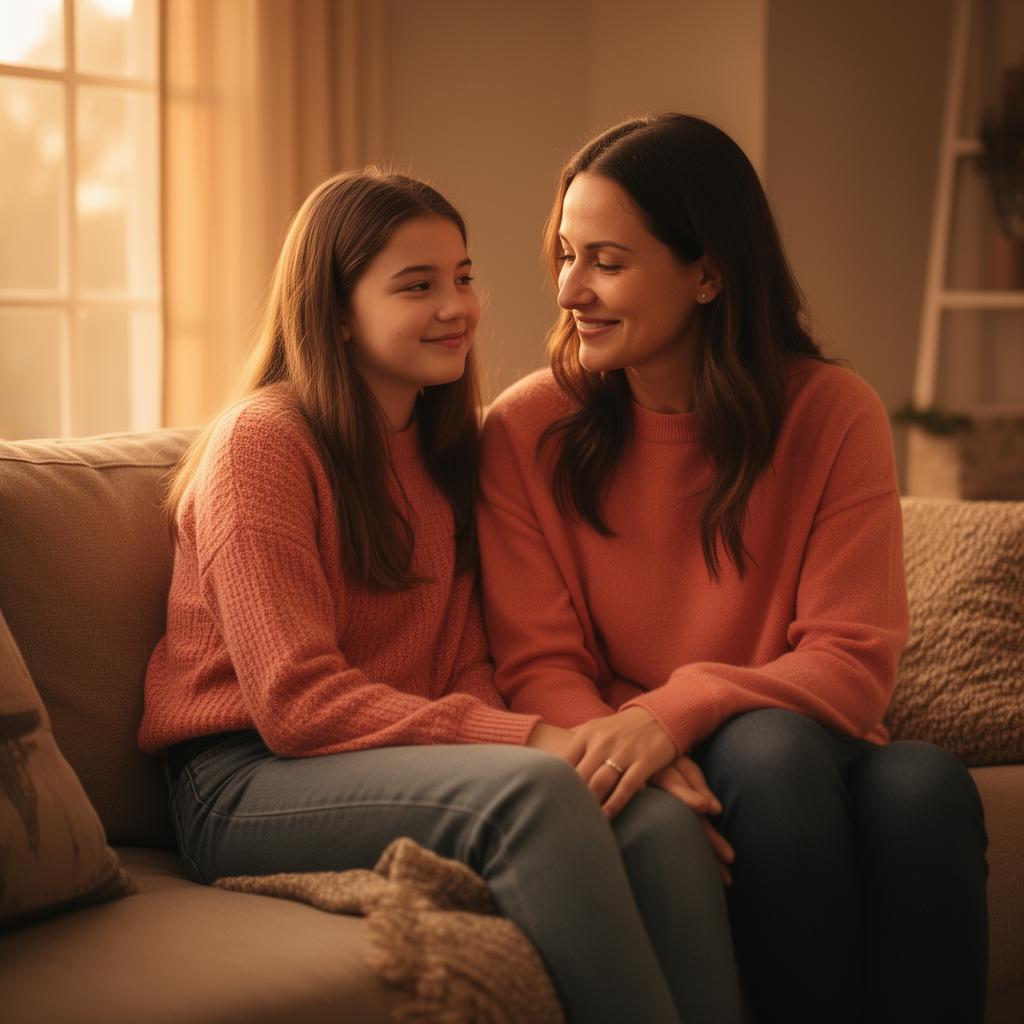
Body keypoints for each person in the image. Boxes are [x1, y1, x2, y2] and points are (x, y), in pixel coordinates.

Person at [138, 168, 740, 1024]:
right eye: (417, 285)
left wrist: (569, 751)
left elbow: (465, 663)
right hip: (241, 779)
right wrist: (539, 741)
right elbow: (296, 704)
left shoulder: (449, 452)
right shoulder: (263, 445)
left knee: (655, 821)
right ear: (337, 312)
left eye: (462, 276)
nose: (456, 305)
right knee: (542, 791)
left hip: (378, 760)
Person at [478, 114, 989, 1024]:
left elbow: (853, 661)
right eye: (565, 253)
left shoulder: (831, 413)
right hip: (670, 739)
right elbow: (536, 664)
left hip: (794, 727)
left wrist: (668, 715)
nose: (570, 289)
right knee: (821, 761)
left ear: (708, 271)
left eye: (607, 260)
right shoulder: (524, 431)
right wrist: (633, 750)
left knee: (924, 787)